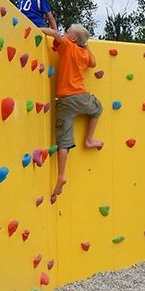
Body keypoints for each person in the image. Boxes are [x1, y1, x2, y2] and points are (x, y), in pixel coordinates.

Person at [39, 24, 103, 197]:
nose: (64, 34)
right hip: (82, 98)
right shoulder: (83, 54)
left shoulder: (67, 46)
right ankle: (89, 139)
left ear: (72, 39)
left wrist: (37, 28)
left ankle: (61, 175)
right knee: (98, 108)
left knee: (64, 141)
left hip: (65, 100)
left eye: (67, 32)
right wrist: (85, 44)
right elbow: (94, 62)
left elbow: (53, 33)